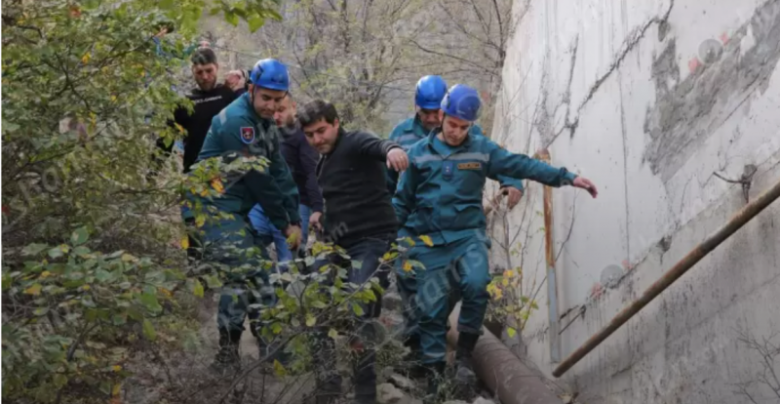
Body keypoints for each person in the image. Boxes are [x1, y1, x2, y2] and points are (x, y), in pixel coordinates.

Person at [392, 84, 598, 401]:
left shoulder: (481, 149)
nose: (457, 132)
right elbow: (401, 203)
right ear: (442, 116)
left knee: (477, 284)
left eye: (464, 127)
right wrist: (390, 239)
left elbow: (521, 165)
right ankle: (434, 383)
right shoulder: (417, 154)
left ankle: (464, 355)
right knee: (431, 311)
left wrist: (567, 177)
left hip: (467, 237)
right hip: (428, 242)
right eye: (452, 124)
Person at [387, 75, 525, 367]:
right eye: (426, 112)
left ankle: (438, 339)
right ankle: (417, 343)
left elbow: (491, 156)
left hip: (450, 229)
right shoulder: (400, 135)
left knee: (451, 286)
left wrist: (511, 180)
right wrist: (386, 225)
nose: (432, 118)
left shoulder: (462, 132)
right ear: (417, 107)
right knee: (410, 282)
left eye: (436, 112)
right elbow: (389, 185)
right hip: (411, 226)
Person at [192, 58, 303, 372]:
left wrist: (294, 218)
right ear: (251, 88)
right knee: (244, 271)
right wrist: (283, 225)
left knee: (260, 274)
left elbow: (279, 172)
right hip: (212, 209)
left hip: (236, 210)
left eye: (278, 100)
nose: (271, 106)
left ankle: (268, 349)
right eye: (266, 98)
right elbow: (260, 181)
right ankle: (228, 354)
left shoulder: (264, 122)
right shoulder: (237, 122)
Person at [297, 99, 408, 404]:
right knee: (313, 298)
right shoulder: (323, 162)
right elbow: (341, 198)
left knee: (361, 302)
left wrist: (392, 150)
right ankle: (327, 382)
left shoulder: (356, 142)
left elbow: (379, 145)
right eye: (310, 134)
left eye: (321, 130)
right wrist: (322, 217)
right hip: (338, 244)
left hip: (373, 240)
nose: (317, 139)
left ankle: (365, 392)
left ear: (336, 123)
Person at [248, 94, 323, 262]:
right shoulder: (266, 132)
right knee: (248, 248)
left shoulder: (303, 135)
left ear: (293, 107)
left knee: (288, 263)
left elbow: (312, 173)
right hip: (263, 203)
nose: (276, 116)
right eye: (274, 111)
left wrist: (317, 208)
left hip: (295, 204)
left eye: (281, 110)